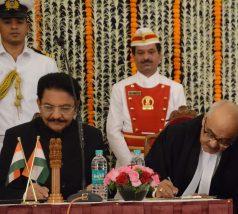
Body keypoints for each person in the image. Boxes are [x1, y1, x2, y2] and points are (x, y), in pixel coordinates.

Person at [0, 72, 103, 201]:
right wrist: (23, 194)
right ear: (38, 103)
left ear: (76, 106)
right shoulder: (17, 136)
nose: (56, 115)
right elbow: (2, 189)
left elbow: (110, 186)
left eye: (65, 108)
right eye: (48, 107)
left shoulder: (92, 136)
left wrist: (100, 189)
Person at [145, 100, 238, 214]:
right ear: (204, 119)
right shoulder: (175, 135)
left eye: (224, 142)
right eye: (210, 134)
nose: (213, 144)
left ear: (235, 137)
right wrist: (158, 187)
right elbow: (147, 175)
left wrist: (215, 206)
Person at [107, 27, 186, 167]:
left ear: (160, 55)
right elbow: (113, 131)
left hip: (165, 162)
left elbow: (180, 131)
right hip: (128, 163)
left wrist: (165, 161)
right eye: (140, 53)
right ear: (133, 56)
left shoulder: (175, 89)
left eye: (151, 52)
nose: (146, 57)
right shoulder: (119, 88)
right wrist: (132, 165)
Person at [0, 0, 59, 154]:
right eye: (7, 22)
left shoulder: (45, 64)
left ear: (27, 26)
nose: (14, 26)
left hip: (36, 145)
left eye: (19, 21)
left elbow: (56, 105)